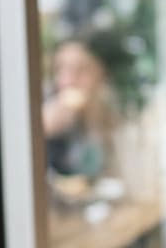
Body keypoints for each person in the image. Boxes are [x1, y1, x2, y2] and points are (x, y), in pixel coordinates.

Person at [42, 35, 124, 178]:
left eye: (81, 69)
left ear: (100, 73)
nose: (69, 79)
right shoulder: (48, 106)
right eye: (61, 69)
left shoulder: (111, 110)